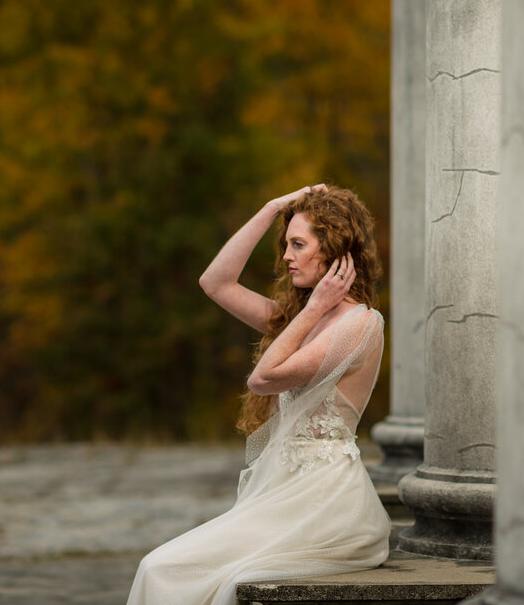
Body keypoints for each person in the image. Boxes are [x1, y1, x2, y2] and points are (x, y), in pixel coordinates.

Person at [126, 184, 392, 605]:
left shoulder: (361, 325)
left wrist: (313, 310)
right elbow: (215, 282)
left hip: (326, 504)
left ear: (335, 250)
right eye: (286, 244)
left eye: (298, 244)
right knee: (161, 567)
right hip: (284, 493)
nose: (286, 255)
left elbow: (263, 379)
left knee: (168, 570)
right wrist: (271, 209)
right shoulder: (299, 319)